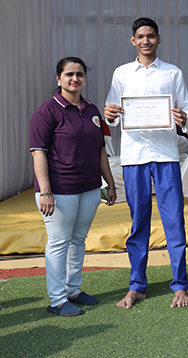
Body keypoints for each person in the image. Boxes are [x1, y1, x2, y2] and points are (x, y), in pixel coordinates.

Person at [104, 17, 188, 309]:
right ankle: (137, 286)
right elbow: (112, 112)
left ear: (159, 39)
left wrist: (182, 118)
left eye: (151, 36)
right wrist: (110, 114)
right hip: (134, 156)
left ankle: (180, 285)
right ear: (133, 40)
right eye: (140, 37)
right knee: (138, 222)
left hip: (166, 154)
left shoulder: (173, 73)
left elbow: (184, 114)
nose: (146, 41)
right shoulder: (121, 74)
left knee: (174, 221)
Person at [30, 57, 117, 316]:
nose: (75, 78)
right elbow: (38, 153)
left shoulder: (92, 109)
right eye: (69, 74)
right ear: (58, 79)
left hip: (89, 187)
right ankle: (57, 299)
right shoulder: (46, 112)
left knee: (78, 240)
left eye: (79, 74)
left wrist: (110, 184)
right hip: (59, 190)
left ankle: (73, 290)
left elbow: (101, 151)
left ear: (85, 78)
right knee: (59, 243)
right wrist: (45, 192)